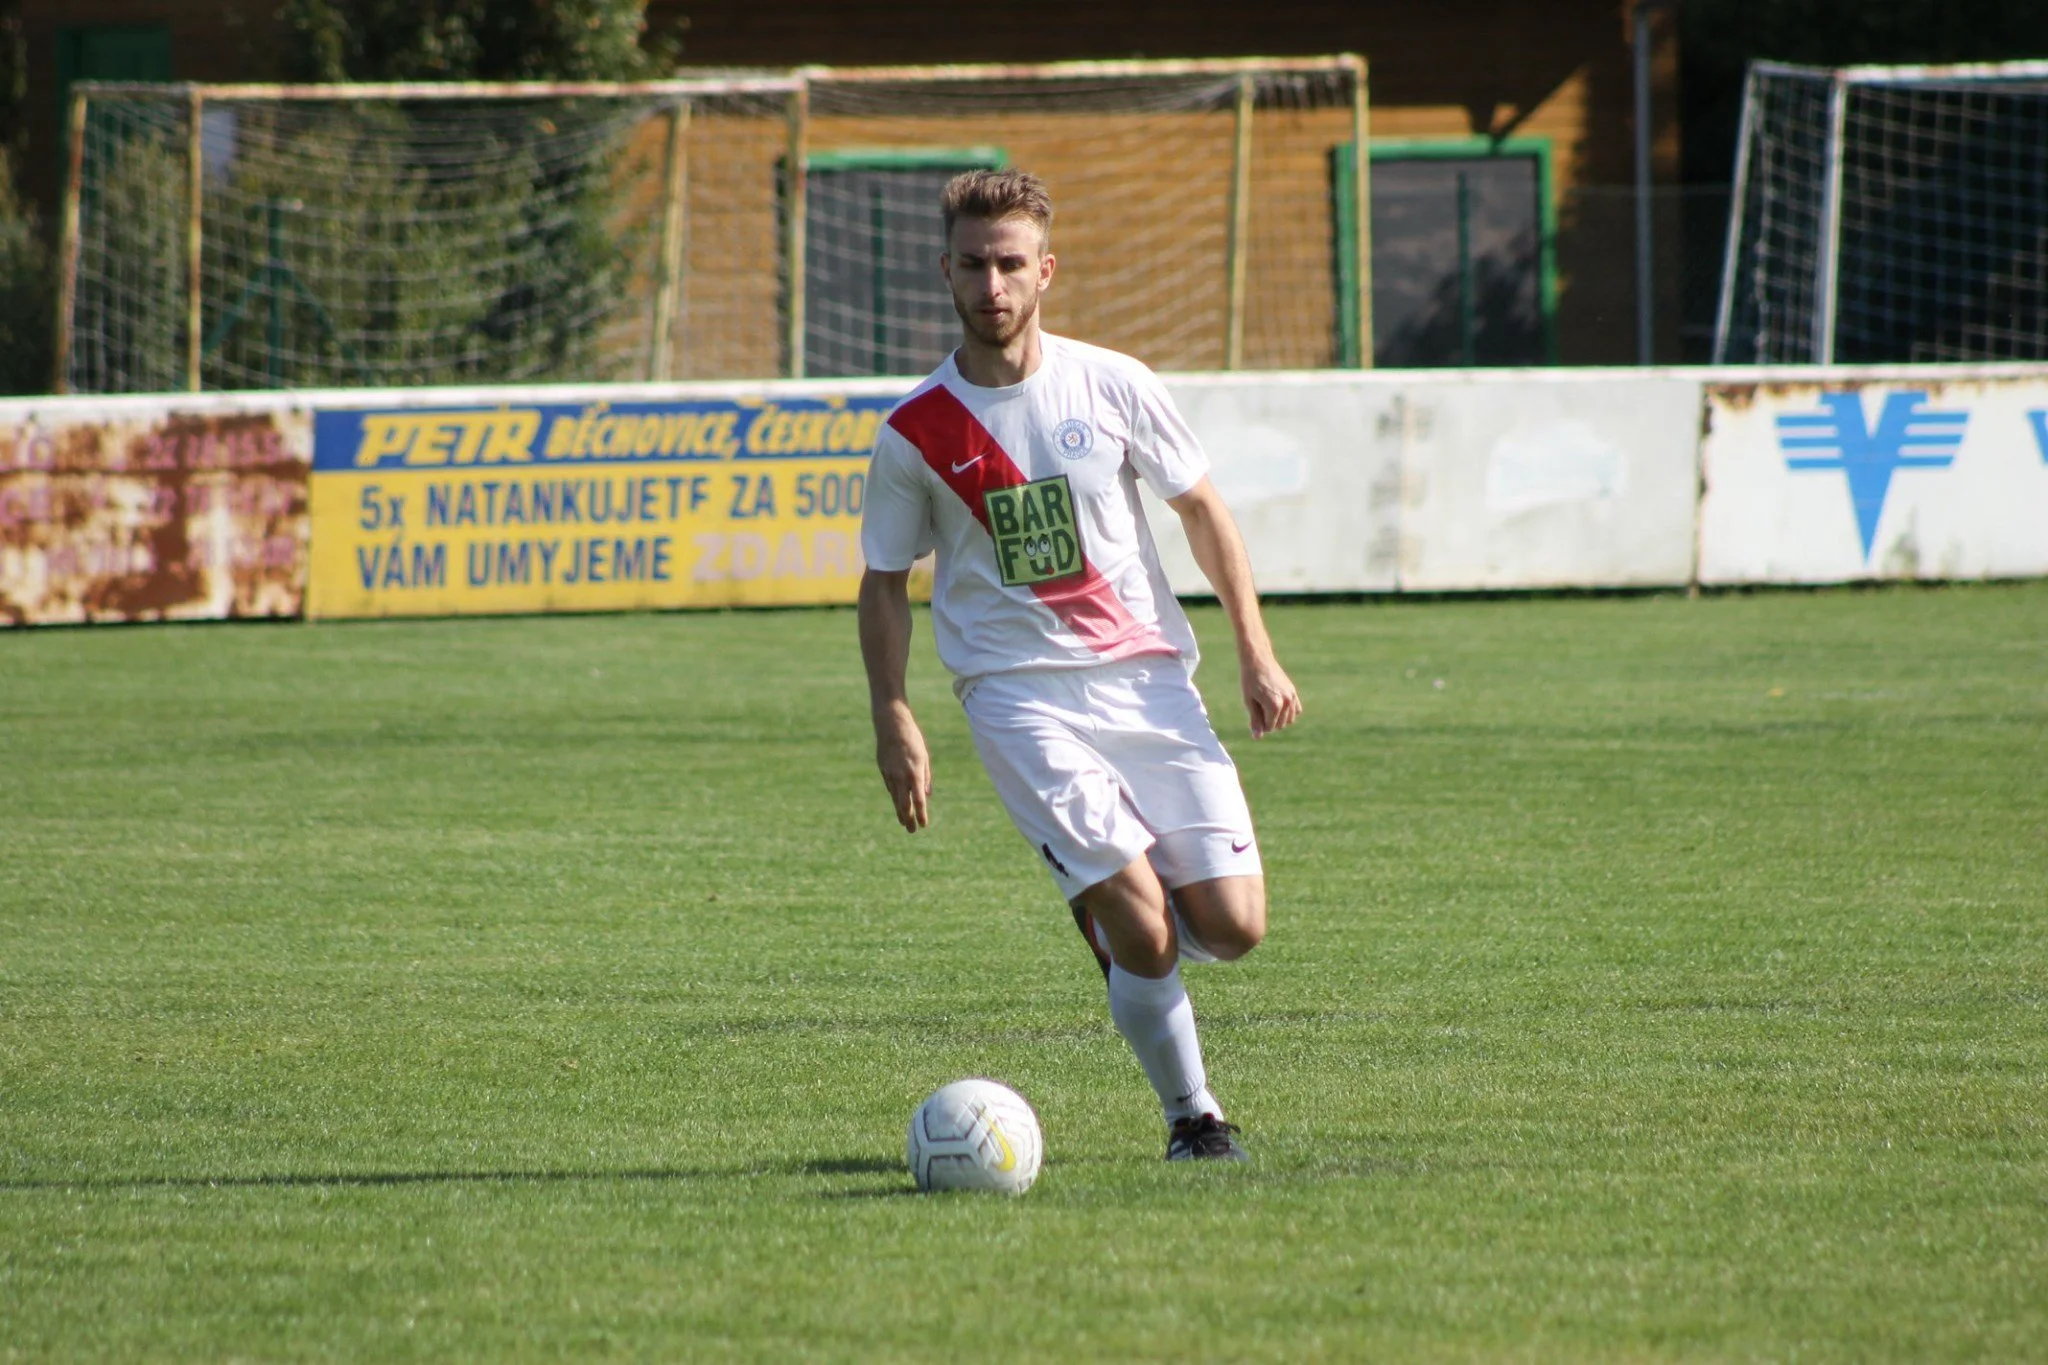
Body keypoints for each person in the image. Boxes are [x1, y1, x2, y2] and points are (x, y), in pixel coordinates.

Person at [856, 169, 1302, 1162]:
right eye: (972, 265)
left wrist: (1254, 654)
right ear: (946, 271)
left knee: (1231, 927)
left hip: (1148, 683)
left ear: (1044, 271)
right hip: (1017, 699)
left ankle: (1099, 898)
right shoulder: (914, 432)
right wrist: (893, 712)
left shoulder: (1113, 384)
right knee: (1145, 934)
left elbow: (1200, 510)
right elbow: (883, 580)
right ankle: (1194, 1120)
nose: (992, 286)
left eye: (1010, 264)